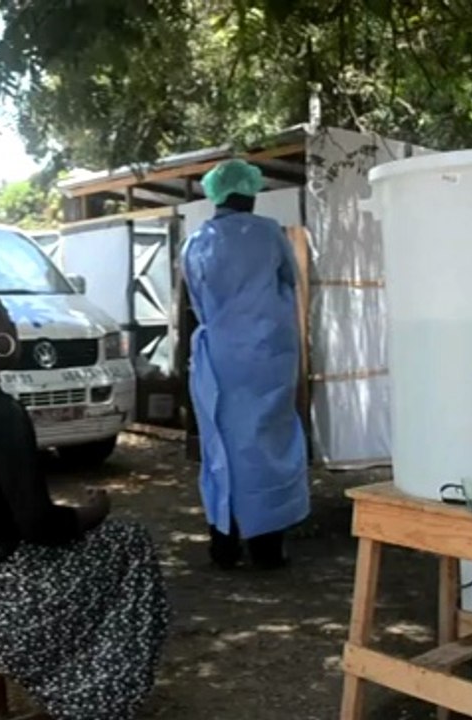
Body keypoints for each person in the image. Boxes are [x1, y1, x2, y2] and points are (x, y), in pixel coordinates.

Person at [0, 283, 169, 720]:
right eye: (6, 319)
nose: (14, 328)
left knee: (95, 551)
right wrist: (90, 513)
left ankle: (80, 689)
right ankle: (96, 696)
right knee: (130, 543)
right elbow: (39, 527)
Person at [181, 158, 310, 571]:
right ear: (249, 194)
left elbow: (195, 302)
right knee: (267, 446)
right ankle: (267, 547)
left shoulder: (196, 241)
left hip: (218, 361)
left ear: (215, 195)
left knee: (221, 447)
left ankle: (224, 541)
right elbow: (291, 280)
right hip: (269, 358)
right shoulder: (269, 234)